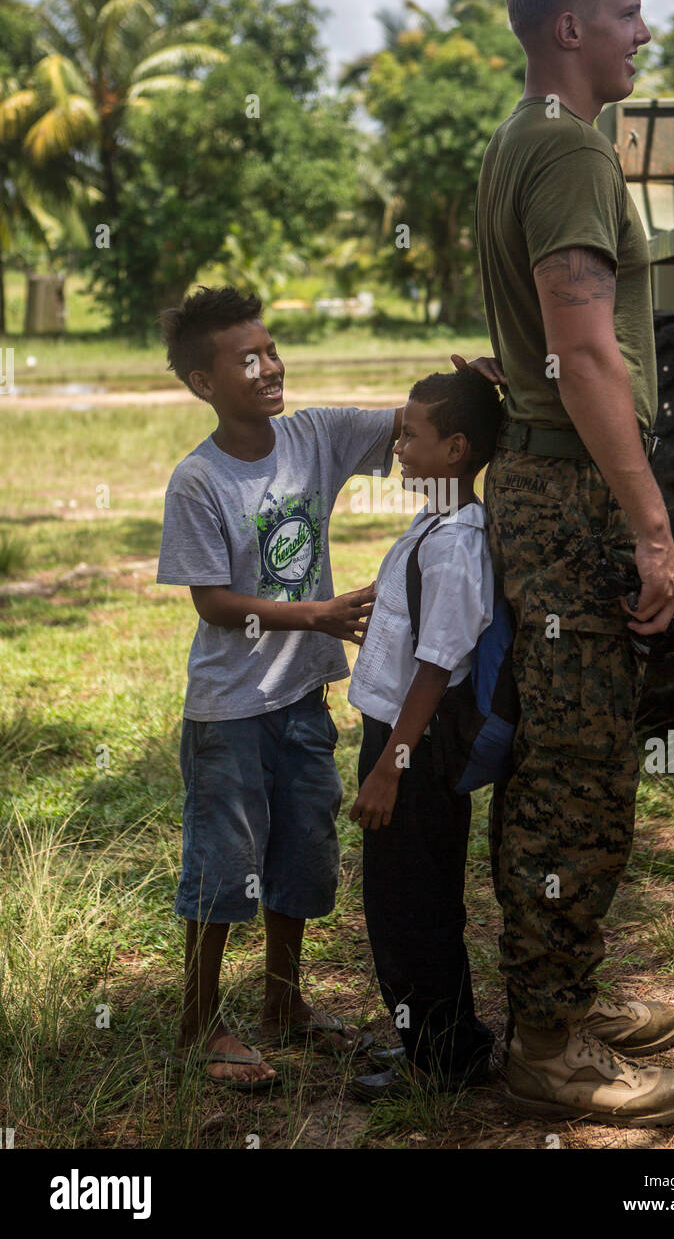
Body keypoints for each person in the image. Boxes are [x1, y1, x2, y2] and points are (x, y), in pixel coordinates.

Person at [474, 0, 674, 1126]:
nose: (643, 32)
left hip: (545, 485)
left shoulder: (521, 138)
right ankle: (551, 1048)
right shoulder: (566, 149)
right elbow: (581, 348)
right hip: (571, 492)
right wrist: (653, 529)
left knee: (562, 767)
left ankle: (559, 997)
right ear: (569, 27)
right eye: (625, 12)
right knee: (578, 780)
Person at [156, 285, 400, 1089]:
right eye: (246, 358)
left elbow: (409, 422)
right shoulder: (199, 481)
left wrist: (479, 383)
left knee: (301, 849)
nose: (268, 367)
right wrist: (317, 613)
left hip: (300, 700)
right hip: (229, 712)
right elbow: (214, 603)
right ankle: (199, 1026)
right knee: (223, 868)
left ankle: (283, 1006)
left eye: (271, 349)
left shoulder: (315, 437)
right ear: (203, 383)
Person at [346, 368, 502, 1100]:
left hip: (413, 748)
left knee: (413, 908)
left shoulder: (455, 545)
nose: (399, 445)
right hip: (395, 739)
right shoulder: (431, 526)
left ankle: (442, 1060)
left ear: (457, 449)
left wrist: (389, 768)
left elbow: (438, 669)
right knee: (405, 901)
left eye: (413, 435)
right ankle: (440, 1044)